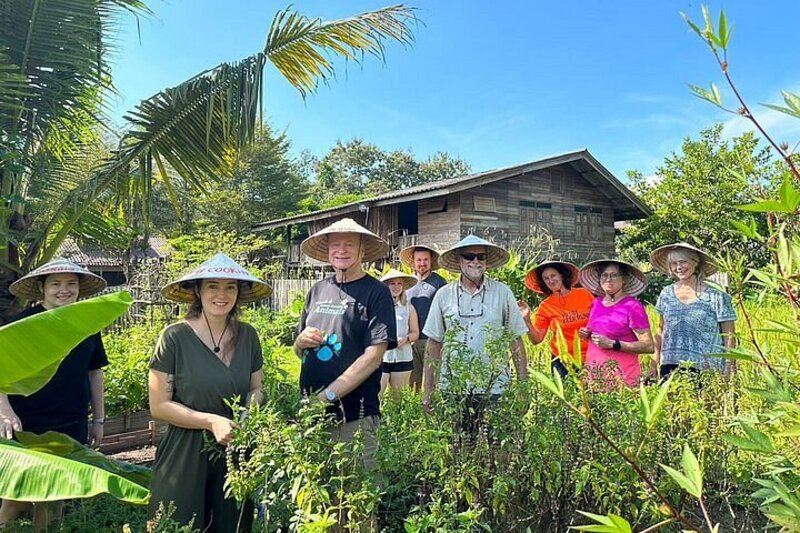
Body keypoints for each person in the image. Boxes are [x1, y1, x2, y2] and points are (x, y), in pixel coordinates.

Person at [148, 253, 271, 532]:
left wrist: (249, 409)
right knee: (178, 523)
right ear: (198, 291)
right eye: (212, 286)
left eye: (230, 287)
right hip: (185, 449)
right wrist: (210, 421)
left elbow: (257, 388)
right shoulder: (174, 337)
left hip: (236, 447)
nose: (222, 294)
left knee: (232, 523)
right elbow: (159, 405)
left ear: (239, 293)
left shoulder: (248, 336)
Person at [0, 258, 108, 529]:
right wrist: (4, 410)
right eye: (56, 284)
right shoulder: (21, 325)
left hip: (71, 420)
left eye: (71, 284)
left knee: (55, 496)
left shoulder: (86, 324)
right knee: (17, 497)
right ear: (42, 288)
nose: (64, 290)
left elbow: (95, 373)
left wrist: (99, 420)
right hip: (26, 422)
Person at [293, 218, 396, 474]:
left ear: (362, 251)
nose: (342, 250)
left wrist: (327, 396)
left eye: (349, 244)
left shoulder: (376, 292)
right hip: (312, 415)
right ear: (327, 251)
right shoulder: (317, 290)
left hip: (355, 415)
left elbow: (373, 357)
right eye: (335, 244)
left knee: (358, 494)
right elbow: (298, 350)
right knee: (319, 498)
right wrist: (300, 341)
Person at [422, 235, 528, 426]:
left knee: (498, 447)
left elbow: (515, 341)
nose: (475, 262)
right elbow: (434, 344)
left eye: (481, 257)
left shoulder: (503, 292)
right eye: (469, 256)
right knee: (458, 448)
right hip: (453, 387)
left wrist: (523, 387)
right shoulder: (443, 295)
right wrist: (428, 389)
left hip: (496, 387)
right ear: (458, 260)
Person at [648, 242, 737, 379]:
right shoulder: (666, 294)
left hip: (707, 366)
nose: (678, 267)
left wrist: (730, 366)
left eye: (683, 262)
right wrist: (653, 363)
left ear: (695, 262)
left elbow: (729, 334)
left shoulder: (716, 294)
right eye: (674, 263)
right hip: (670, 366)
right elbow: (661, 330)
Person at [578, 260, 654, 388]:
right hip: (594, 377)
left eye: (614, 275)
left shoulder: (633, 307)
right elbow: (599, 334)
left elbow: (648, 346)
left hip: (622, 380)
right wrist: (587, 334)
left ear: (624, 279)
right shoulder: (596, 303)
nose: (609, 279)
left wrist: (613, 344)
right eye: (604, 275)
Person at [518, 261, 594, 377]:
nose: (550, 280)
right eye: (546, 278)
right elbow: (536, 339)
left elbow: (599, 321)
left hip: (590, 356)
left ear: (562, 275)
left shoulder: (584, 294)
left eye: (553, 276)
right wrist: (526, 319)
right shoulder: (545, 306)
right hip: (562, 361)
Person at [400, 244, 447, 392]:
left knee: (432, 381)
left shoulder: (439, 283)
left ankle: (431, 412)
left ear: (431, 261)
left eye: (425, 259)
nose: (422, 263)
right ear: (413, 262)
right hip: (411, 340)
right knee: (413, 384)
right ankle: (414, 413)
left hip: (432, 340)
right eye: (419, 260)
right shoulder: (407, 285)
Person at [379, 269, 420, 395]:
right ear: (386, 286)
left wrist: (406, 339)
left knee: (398, 399)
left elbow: (415, 332)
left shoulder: (409, 308)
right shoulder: (378, 306)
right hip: (382, 357)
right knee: (377, 395)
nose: (396, 287)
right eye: (392, 283)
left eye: (399, 283)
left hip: (403, 357)